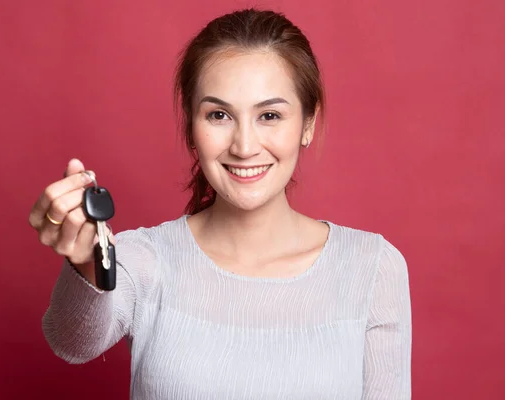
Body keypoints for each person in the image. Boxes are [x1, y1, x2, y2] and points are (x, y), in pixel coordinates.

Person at [29, 8, 412, 400]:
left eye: (269, 115)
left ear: (308, 123)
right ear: (191, 128)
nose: (244, 146)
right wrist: (85, 261)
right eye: (219, 115)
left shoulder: (372, 268)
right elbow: (72, 342)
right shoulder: (146, 259)